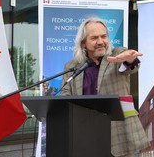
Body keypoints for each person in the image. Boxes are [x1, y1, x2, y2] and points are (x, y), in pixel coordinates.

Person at [60, 17, 149, 157]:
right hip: (85, 136)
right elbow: (65, 96)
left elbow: (130, 65)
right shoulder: (71, 67)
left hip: (119, 135)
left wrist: (129, 59)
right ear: (83, 43)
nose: (101, 42)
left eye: (104, 36)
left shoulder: (116, 56)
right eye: (94, 38)